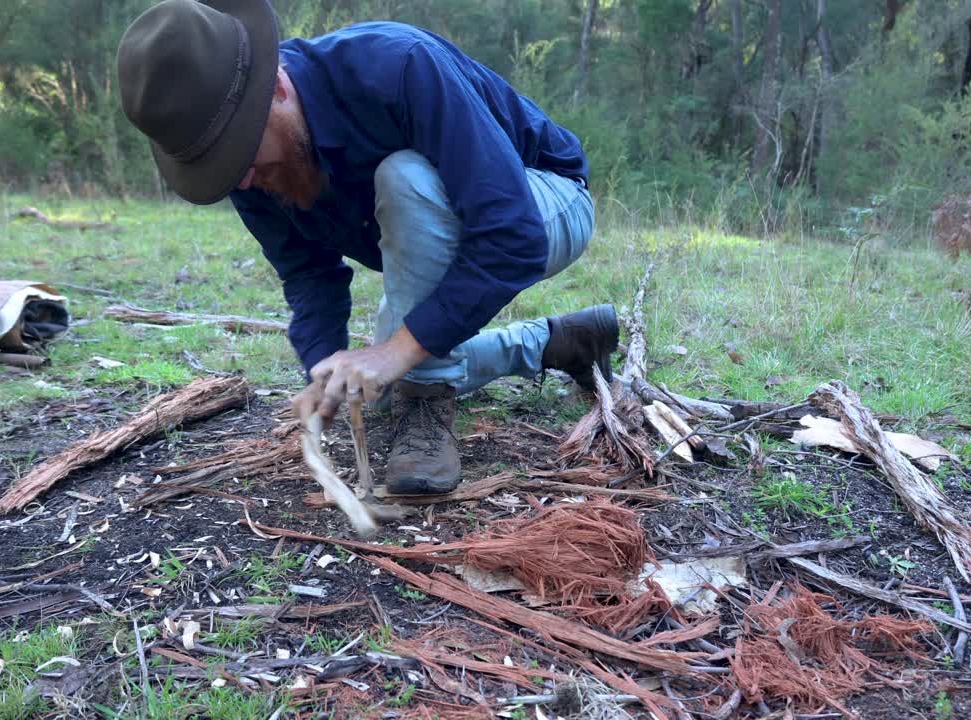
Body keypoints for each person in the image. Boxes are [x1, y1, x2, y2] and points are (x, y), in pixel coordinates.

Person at [116, 0, 617, 494]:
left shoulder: (398, 66)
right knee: (369, 391)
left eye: (239, 154)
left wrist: (398, 352)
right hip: (464, 230)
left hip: (547, 200)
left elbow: (513, 236)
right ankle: (557, 341)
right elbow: (310, 274)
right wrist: (323, 369)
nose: (241, 178)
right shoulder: (250, 168)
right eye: (220, 167)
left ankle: (426, 398)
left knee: (404, 178)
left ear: (279, 89)